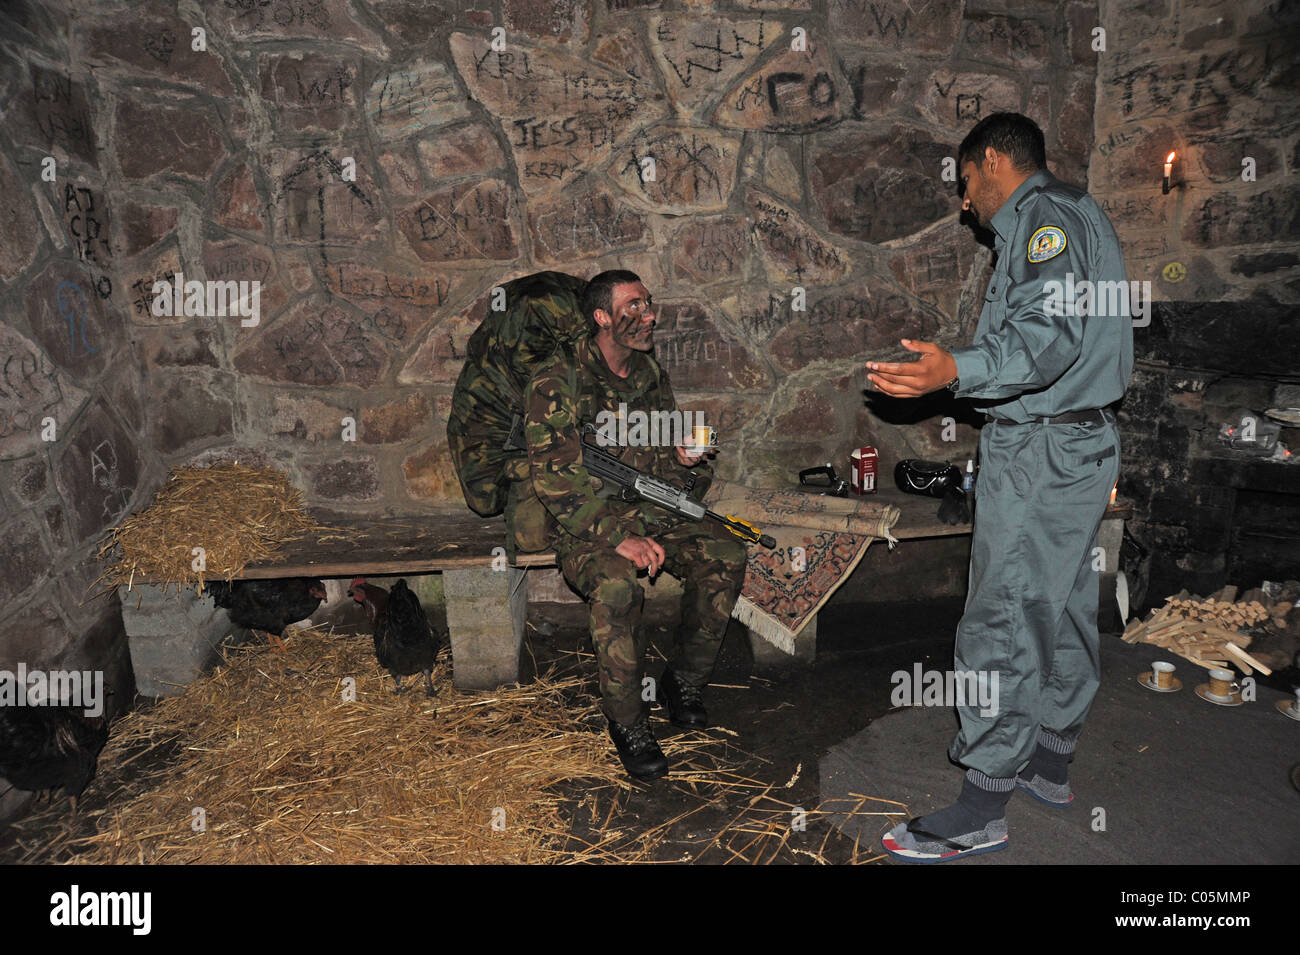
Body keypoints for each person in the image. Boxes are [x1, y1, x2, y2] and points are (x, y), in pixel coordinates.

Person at [866, 113, 1134, 862]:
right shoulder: (1080, 211)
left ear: (991, 161)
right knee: (1068, 596)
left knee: (1007, 612)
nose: (964, 203)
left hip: (1042, 447)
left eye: (964, 184)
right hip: (1084, 439)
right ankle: (1050, 759)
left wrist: (957, 369)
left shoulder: (1042, 220)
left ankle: (983, 804)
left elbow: (1046, 340)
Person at [523, 270, 748, 781]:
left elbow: (662, 452)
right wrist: (618, 538)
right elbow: (557, 485)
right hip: (585, 523)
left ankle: (683, 682)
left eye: (648, 304)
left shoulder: (647, 372)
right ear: (602, 318)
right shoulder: (556, 381)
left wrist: (686, 459)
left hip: (649, 510)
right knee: (617, 587)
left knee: (726, 555)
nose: (649, 315)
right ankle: (628, 722)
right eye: (634, 307)